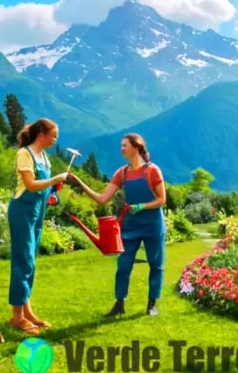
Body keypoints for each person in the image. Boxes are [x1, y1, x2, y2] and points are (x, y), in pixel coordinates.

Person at [70, 133, 166, 316]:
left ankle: (152, 304)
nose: (121, 148)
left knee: (156, 265)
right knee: (123, 265)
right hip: (130, 225)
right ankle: (119, 303)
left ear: (136, 148)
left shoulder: (152, 170)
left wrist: (141, 206)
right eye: (121, 145)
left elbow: (162, 200)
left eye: (124, 145)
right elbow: (103, 199)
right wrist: (79, 183)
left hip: (152, 223)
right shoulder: (122, 173)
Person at [7, 118, 68, 334]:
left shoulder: (44, 157)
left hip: (36, 212)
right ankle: (17, 317)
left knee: (30, 262)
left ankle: (28, 312)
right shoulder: (24, 154)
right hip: (22, 212)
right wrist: (54, 180)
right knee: (23, 262)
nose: (55, 140)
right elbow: (31, 185)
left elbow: (42, 189)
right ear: (41, 134)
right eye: (53, 136)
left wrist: (52, 194)